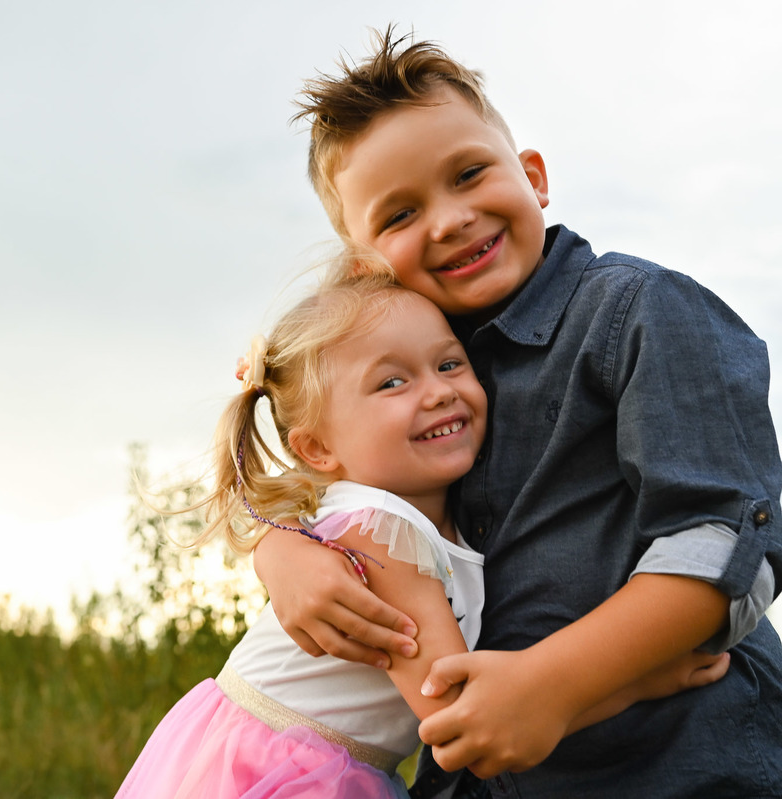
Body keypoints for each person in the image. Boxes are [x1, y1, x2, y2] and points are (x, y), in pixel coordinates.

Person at [253, 28, 782, 797]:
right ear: (365, 265)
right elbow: (352, 503)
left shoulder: (637, 312)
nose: (449, 219)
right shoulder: (403, 388)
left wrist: (554, 681)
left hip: (675, 763)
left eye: (469, 174)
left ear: (533, 176)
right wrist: (284, 552)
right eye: (399, 215)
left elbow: (727, 540)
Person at [117, 274, 725, 799]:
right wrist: (638, 680)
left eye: (449, 363)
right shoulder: (383, 531)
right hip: (284, 771)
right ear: (317, 448)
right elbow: (459, 722)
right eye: (391, 383)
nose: (438, 391)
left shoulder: (409, 519)